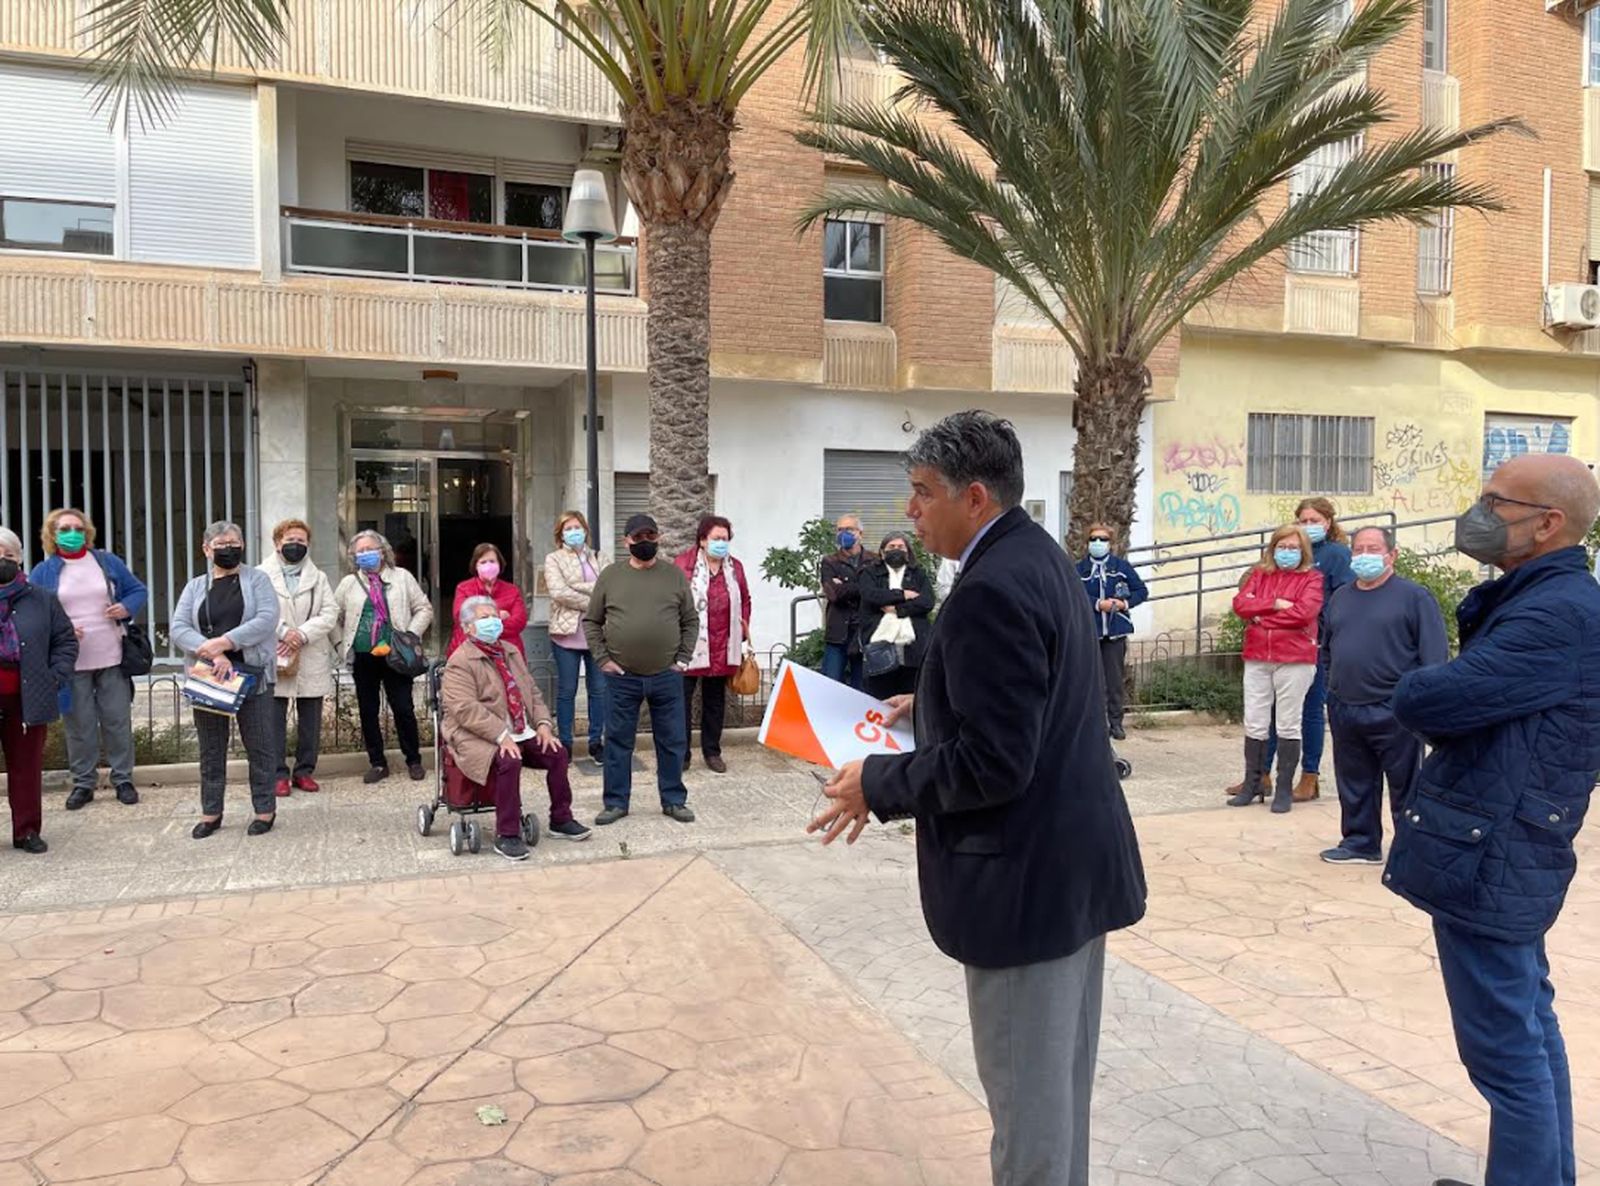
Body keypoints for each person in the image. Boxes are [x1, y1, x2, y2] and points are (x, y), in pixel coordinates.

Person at [810, 411, 1146, 1186]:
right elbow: (1033, 697)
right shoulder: (1039, 558)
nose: (912, 511)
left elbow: (996, 763)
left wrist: (879, 782)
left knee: (1030, 1117)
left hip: (1026, 888)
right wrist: (927, 703)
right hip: (1072, 872)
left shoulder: (989, 589)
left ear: (975, 496)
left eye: (924, 493)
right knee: (1057, 1100)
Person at [1386, 455, 1600, 1186]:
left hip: (1494, 850)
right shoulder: (1540, 596)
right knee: (1528, 1031)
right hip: (1504, 840)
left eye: (1494, 501)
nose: (1477, 514)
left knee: (1507, 1055)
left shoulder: (1556, 613)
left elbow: (1429, 700)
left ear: (1549, 523)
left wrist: (1417, 681)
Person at [1320, 526, 1448, 865]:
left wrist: (1422, 701)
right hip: (1346, 706)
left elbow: (1434, 655)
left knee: (1407, 784)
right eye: (1358, 549)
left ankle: (1412, 849)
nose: (1364, 555)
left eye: (1373, 548)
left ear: (1391, 555)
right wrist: (1331, 687)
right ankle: (1360, 842)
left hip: (1396, 710)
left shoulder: (1414, 597)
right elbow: (1329, 646)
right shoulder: (1341, 596)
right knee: (1354, 780)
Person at [442, 595, 592, 858]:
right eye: (483, 618)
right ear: (467, 627)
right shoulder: (460, 661)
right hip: (476, 735)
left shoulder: (510, 651)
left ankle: (561, 819)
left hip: (518, 729)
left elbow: (531, 692)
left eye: (494, 616)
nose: (492, 621)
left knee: (557, 753)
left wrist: (544, 724)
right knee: (509, 760)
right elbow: (465, 709)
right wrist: (501, 735)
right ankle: (507, 834)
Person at [584, 513, 699, 826]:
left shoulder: (673, 575)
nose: (645, 543)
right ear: (626, 542)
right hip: (622, 677)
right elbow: (592, 621)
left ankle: (674, 800)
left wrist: (683, 659)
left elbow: (690, 620)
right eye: (638, 538)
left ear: (658, 538)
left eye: (650, 537)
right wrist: (602, 659)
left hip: (666, 675)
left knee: (672, 741)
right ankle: (616, 803)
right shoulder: (611, 576)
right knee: (618, 742)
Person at [30, 507, 147, 810]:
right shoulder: (44, 571)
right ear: (52, 534)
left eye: (78, 528)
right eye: (65, 528)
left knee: (117, 720)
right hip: (71, 662)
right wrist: (62, 630)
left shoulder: (106, 562)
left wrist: (125, 607)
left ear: (87, 532)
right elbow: (36, 613)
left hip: (112, 655)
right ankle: (83, 783)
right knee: (79, 725)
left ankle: (123, 779)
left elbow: (137, 590)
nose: (72, 534)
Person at [170, 522, 281, 839]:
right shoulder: (194, 587)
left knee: (260, 746)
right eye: (221, 543)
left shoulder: (257, 580)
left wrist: (226, 642)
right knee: (211, 748)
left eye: (234, 542)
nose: (228, 548)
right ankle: (211, 812)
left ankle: (264, 809)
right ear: (206, 549)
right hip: (209, 676)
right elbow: (179, 627)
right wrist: (213, 653)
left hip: (251, 676)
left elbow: (266, 619)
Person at [1229, 525, 1324, 814]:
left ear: (1303, 551)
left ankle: (1284, 788)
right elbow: (1240, 605)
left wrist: (1262, 617)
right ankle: (1253, 783)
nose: (1287, 553)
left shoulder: (1312, 578)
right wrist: (1274, 604)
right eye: (1282, 547)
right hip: (1258, 656)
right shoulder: (1260, 575)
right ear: (1272, 548)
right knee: (1255, 721)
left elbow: (1304, 613)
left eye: (1293, 548)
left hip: (1294, 659)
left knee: (1288, 722)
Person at [335, 530, 433, 784]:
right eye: (361, 551)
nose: (366, 554)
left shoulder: (402, 578)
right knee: (368, 711)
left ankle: (413, 760)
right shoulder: (348, 584)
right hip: (364, 656)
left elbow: (424, 608)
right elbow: (334, 617)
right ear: (354, 556)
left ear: (383, 551)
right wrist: (339, 644)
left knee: (403, 708)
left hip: (396, 654)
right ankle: (377, 763)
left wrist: (410, 635)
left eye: (371, 548)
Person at [0, 527, 76, 854]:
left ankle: (26, 830)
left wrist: (54, 676)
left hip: (27, 697)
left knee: (26, 767)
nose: (2, 561)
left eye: (8, 556)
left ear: (19, 559)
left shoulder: (41, 598)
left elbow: (65, 641)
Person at [260, 519, 339, 798]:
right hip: (276, 652)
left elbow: (330, 613)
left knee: (310, 719)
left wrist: (301, 634)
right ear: (277, 542)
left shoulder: (318, 578)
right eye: (290, 539)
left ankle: (305, 771)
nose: (296, 545)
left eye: (302, 541)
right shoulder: (260, 575)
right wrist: (283, 632)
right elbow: (258, 610)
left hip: (309, 652)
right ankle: (278, 774)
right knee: (273, 718)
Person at [674, 515, 752, 773]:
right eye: (716, 538)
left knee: (715, 702)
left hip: (723, 643)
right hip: (690, 645)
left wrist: (742, 628)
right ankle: (681, 754)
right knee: (681, 703)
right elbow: (673, 601)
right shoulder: (683, 564)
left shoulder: (735, 567)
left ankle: (712, 751)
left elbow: (745, 599)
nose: (722, 543)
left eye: (725, 538)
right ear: (702, 540)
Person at [1075, 523, 1149, 741]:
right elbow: (1073, 594)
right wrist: (1097, 604)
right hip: (1090, 632)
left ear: (1111, 543)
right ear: (1087, 543)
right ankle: (1091, 723)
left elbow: (1141, 591)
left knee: (1114, 680)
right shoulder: (1079, 569)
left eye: (1103, 539)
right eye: (1094, 539)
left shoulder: (1121, 567)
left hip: (1115, 633)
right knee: (1088, 680)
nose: (1098, 543)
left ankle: (1115, 723)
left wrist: (1124, 603)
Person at [545, 511, 608, 760]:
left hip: (597, 633)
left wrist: (577, 587)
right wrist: (592, 597)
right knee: (567, 690)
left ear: (585, 529)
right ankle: (566, 744)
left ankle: (596, 742)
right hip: (566, 635)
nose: (574, 532)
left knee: (599, 690)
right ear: (560, 534)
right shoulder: (554, 559)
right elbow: (559, 593)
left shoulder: (600, 557)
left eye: (577, 527)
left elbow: (608, 588)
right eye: (568, 528)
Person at [858, 532, 933, 701]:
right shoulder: (869, 573)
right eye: (891, 547)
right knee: (879, 701)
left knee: (911, 700)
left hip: (913, 648)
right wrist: (903, 594)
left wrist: (898, 610)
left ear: (908, 552)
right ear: (882, 551)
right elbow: (871, 595)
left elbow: (927, 602)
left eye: (900, 547)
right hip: (880, 647)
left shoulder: (918, 574)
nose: (896, 550)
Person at [820, 515, 874, 690]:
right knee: (831, 685)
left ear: (860, 533)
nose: (843, 533)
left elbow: (876, 593)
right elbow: (833, 594)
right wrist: (862, 588)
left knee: (864, 688)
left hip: (865, 631)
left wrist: (846, 587)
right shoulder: (829, 561)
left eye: (849, 529)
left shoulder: (874, 561)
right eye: (840, 530)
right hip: (838, 632)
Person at [447, 544, 528, 658]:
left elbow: (519, 622)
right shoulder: (464, 588)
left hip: (507, 651)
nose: (488, 565)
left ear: (500, 564)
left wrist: (482, 624)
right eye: (483, 562)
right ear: (476, 565)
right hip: (471, 652)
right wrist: (498, 615)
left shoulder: (511, 590)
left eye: (492, 561)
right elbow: (461, 618)